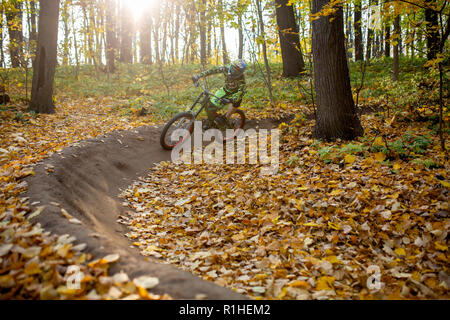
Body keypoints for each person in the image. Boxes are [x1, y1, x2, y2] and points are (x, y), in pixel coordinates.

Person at [192, 59, 247, 129]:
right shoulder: (226, 69)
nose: (233, 71)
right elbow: (213, 70)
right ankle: (211, 122)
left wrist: (231, 100)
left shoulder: (241, 80)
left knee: (234, 104)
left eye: (236, 70)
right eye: (233, 68)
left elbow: (240, 92)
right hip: (225, 90)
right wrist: (199, 75)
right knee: (211, 106)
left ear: (240, 72)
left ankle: (225, 119)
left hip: (235, 95)